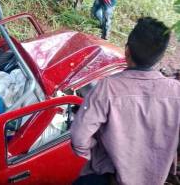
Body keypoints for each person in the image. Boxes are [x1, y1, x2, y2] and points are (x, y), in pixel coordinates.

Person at [71, 17, 180, 185]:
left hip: (108, 177)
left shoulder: (108, 88)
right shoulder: (176, 92)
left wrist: (97, 155)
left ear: (127, 51)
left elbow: (79, 138)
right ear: (160, 57)